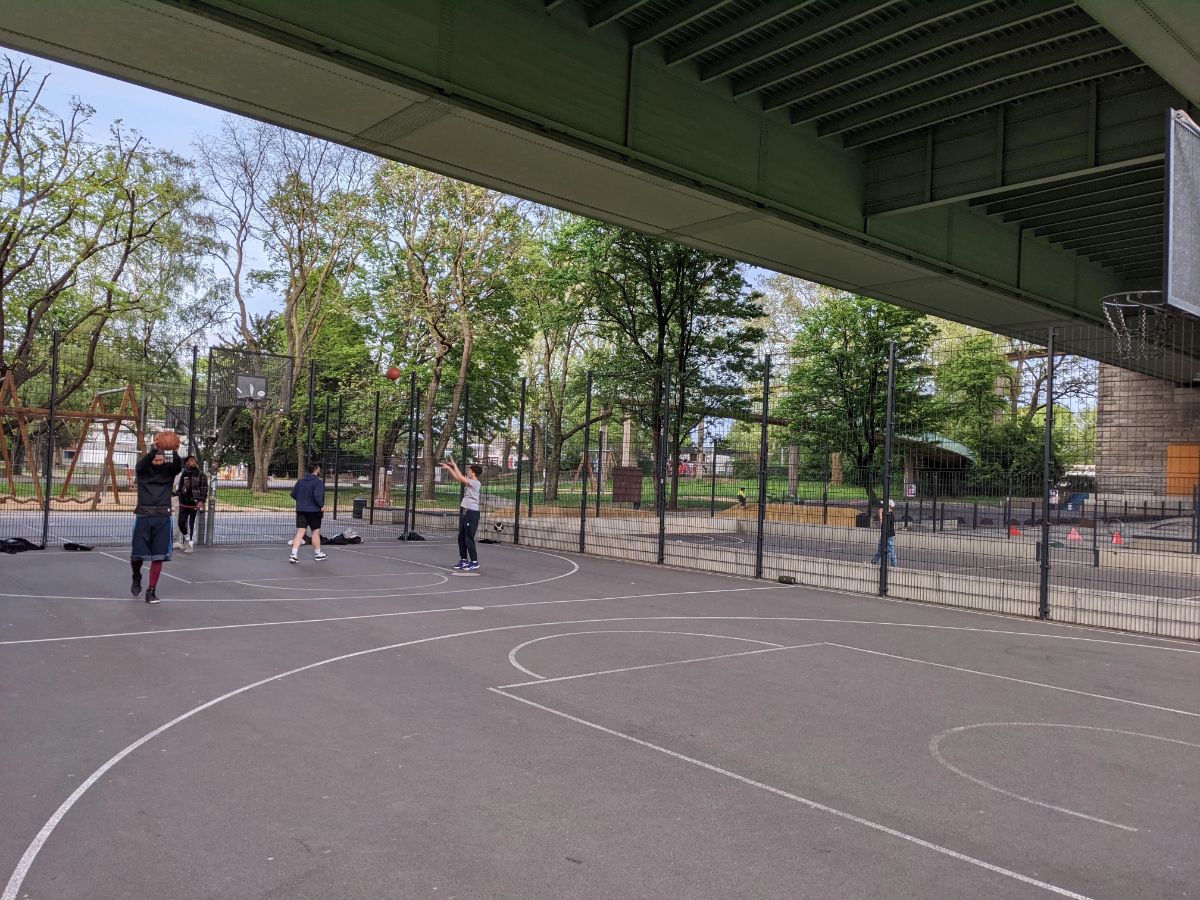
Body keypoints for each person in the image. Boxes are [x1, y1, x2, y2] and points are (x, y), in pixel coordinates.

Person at [130, 435, 184, 604]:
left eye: (162, 459)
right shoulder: (143, 471)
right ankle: (136, 576)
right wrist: (154, 448)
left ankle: (151, 590)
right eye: (156, 459)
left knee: (159, 556)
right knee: (137, 556)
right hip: (144, 516)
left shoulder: (168, 470)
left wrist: (175, 450)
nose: (159, 462)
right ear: (152, 457)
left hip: (163, 516)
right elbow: (141, 464)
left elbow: (177, 466)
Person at [440, 459, 483, 571]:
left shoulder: (476, 483)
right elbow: (458, 477)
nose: (467, 471)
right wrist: (450, 468)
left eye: (469, 470)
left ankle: (474, 561)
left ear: (473, 473)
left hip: (473, 513)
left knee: (469, 538)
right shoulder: (469, 480)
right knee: (461, 537)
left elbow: (460, 476)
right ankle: (464, 560)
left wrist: (454, 465)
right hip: (468, 513)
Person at [289, 462, 326, 564]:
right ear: (316, 469)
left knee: (300, 532)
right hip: (314, 511)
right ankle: (318, 554)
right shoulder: (318, 482)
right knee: (315, 532)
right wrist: (321, 505)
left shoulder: (300, 481)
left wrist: (302, 501)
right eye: (319, 467)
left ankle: (294, 554)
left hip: (301, 510)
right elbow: (317, 496)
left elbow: (293, 494)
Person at [174, 455, 208, 553]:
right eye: (190, 460)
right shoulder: (184, 474)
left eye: (194, 460)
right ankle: (187, 538)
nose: (193, 462)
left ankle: (190, 545)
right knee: (181, 523)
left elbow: (204, 489)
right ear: (187, 463)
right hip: (183, 503)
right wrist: (174, 494)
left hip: (194, 503)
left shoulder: (201, 474)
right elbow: (180, 489)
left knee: (191, 524)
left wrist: (201, 501)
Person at [870, 498, 899, 568]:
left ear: (888, 506)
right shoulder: (888, 514)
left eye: (884, 505)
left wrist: (880, 514)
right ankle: (873, 562)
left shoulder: (889, 514)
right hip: (884, 534)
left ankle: (894, 564)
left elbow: (883, 525)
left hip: (888, 535)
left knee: (891, 550)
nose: (882, 507)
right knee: (880, 550)